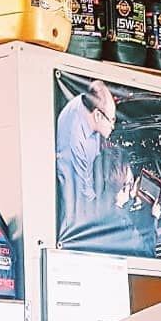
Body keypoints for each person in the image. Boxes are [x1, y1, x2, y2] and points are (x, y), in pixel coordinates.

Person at [55, 80, 117, 237]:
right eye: (112, 119)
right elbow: (83, 194)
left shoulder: (86, 102)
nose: (113, 126)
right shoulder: (77, 142)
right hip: (73, 204)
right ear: (97, 114)